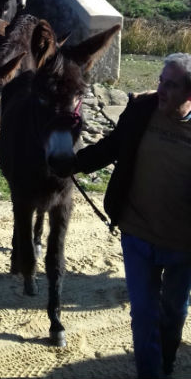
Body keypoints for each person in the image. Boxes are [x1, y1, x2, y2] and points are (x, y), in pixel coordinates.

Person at [55, 53, 191, 378]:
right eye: (160, 80)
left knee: (172, 315)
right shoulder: (143, 110)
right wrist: (73, 163)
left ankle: (167, 364)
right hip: (137, 234)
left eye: (170, 85)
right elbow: (112, 146)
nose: (160, 89)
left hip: (183, 247)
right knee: (144, 316)